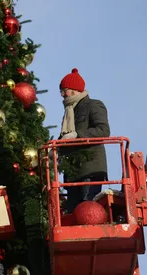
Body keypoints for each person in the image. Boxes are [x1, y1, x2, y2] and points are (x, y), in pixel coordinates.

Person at [58, 68, 111, 214]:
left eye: (65, 90)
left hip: (90, 170)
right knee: (73, 214)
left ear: (75, 90)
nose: (62, 95)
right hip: (73, 173)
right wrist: (55, 148)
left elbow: (103, 131)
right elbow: (64, 138)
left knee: (87, 212)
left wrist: (77, 134)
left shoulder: (93, 105)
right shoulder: (70, 112)